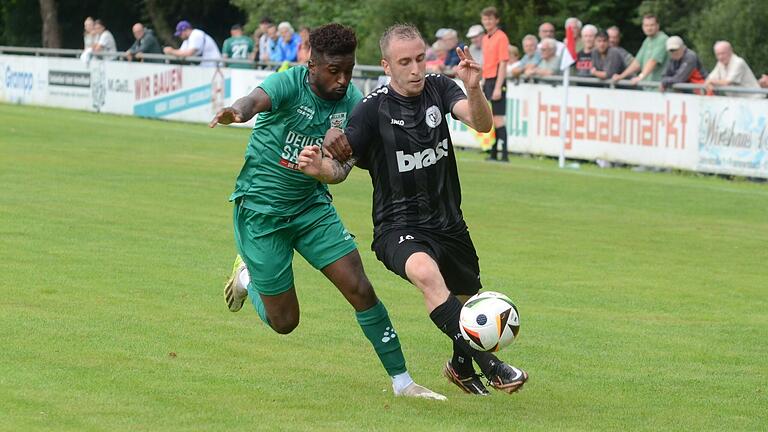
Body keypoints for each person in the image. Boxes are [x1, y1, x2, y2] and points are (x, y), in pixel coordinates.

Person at [209, 23, 444, 401]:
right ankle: (247, 278)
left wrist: (331, 162)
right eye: (333, 71)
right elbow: (253, 101)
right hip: (262, 213)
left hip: (311, 208)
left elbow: (343, 171)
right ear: (312, 64)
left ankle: (403, 382)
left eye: (348, 70)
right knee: (285, 322)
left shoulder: (352, 101)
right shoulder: (289, 84)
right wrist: (235, 112)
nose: (342, 79)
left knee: (360, 289)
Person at [296, 23, 528, 396]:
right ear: (387, 66)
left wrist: (473, 86)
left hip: (449, 223)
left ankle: (460, 366)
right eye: (406, 62)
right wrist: (318, 168)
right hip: (397, 226)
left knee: (467, 305)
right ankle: (494, 366)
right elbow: (340, 168)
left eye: (420, 58)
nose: (416, 68)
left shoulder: (439, 87)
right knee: (427, 276)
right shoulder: (371, 111)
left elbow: (482, 123)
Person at [480, 6, 510, 162]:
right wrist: (483, 82)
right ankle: (493, 152)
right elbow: (486, 62)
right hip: (488, 80)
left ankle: (504, 154)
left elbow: (503, 63)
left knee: (498, 118)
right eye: (485, 19)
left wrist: (498, 86)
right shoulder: (485, 38)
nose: (487, 22)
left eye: (490, 19)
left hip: (498, 79)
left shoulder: (501, 37)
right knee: (489, 118)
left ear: (496, 20)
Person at [612, 14, 668, 86]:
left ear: (658, 26)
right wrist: (621, 76)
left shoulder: (662, 39)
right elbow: (637, 63)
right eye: (646, 25)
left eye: (652, 25)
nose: (649, 28)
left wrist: (640, 77)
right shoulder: (647, 41)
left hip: (661, 88)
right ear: (643, 27)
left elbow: (653, 61)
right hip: (648, 86)